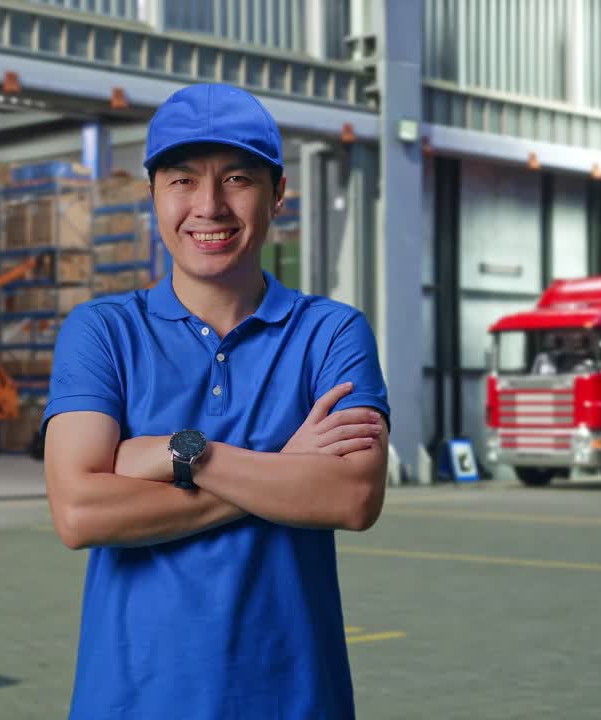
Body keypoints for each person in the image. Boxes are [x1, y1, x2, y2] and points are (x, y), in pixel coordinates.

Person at [41, 83, 391, 719]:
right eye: (182, 180)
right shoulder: (102, 332)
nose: (209, 206)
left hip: (293, 699)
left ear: (277, 193)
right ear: (153, 194)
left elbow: (352, 497)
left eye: (237, 178)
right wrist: (281, 468)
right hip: (132, 700)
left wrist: (183, 455)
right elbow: (81, 513)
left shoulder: (332, 333)